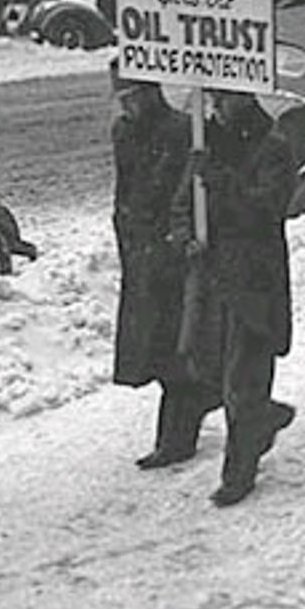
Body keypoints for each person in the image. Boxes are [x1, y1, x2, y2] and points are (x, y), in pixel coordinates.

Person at [170, 90, 297, 507]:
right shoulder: (205, 147)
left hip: (253, 281)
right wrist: (186, 236)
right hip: (210, 281)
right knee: (206, 369)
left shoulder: (272, 146)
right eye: (213, 101)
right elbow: (183, 204)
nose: (215, 108)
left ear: (242, 97)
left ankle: (238, 474)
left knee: (243, 380)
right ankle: (263, 416)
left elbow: (268, 208)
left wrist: (222, 182)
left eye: (222, 100)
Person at [109, 62, 219, 470]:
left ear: (150, 92)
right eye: (122, 99)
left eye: (133, 97)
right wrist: (126, 238)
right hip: (142, 256)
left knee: (177, 345)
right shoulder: (124, 131)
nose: (127, 107)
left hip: (173, 253)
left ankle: (178, 436)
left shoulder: (181, 130)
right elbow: (124, 189)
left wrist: (179, 240)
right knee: (157, 348)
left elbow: (184, 192)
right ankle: (205, 401)